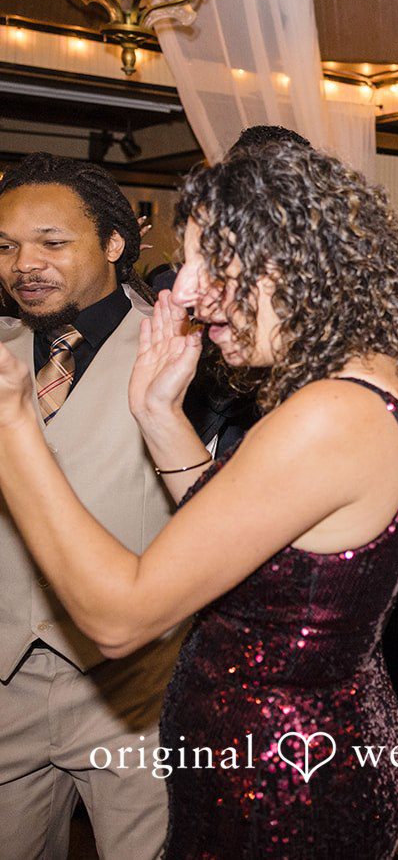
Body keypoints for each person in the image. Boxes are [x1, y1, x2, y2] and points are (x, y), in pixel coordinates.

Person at [0, 132, 398, 857]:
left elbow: (118, 617)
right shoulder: (356, 385)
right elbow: (251, 541)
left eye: (214, 263)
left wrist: (14, 428)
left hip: (284, 784)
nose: (187, 292)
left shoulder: (331, 413)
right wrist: (160, 417)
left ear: (292, 265)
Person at [0, 154, 173, 857]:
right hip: (6, 682)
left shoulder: (184, 349)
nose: (23, 264)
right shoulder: (4, 347)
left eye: (51, 241)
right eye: (6, 246)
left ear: (113, 243)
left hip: (135, 693)